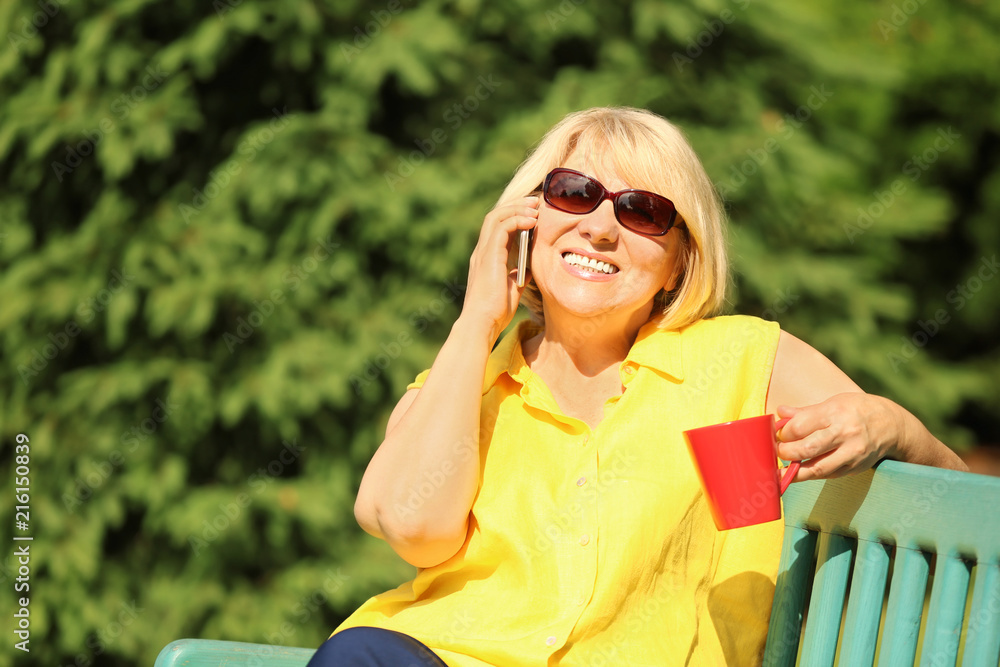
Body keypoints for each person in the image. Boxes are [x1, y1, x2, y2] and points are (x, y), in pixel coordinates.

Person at [306, 107, 967, 666]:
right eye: (571, 192)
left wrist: (895, 426)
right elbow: (415, 528)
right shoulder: (467, 376)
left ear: (681, 258)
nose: (599, 225)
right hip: (443, 653)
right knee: (362, 654)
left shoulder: (737, 364)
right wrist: (477, 317)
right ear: (527, 218)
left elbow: (963, 506)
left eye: (643, 211)